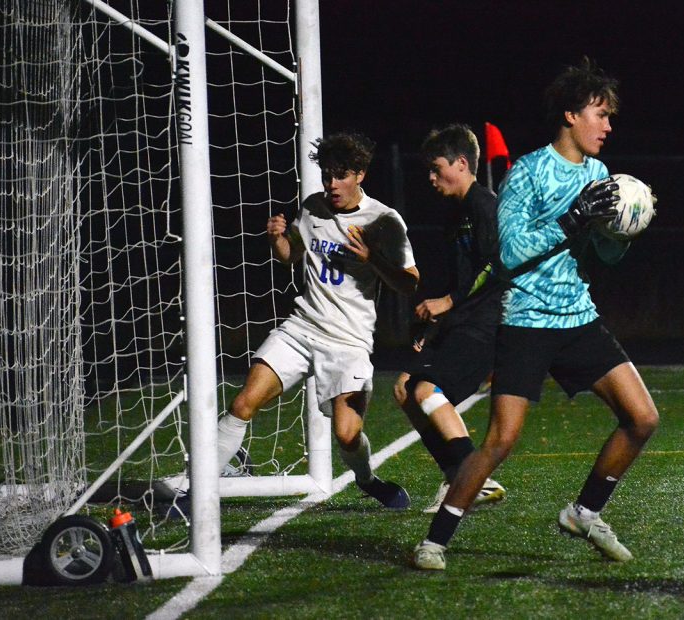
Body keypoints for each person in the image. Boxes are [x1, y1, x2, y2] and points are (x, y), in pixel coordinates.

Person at [411, 59, 660, 570]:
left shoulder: (598, 175)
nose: (608, 126)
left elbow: (601, 256)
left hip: (578, 317)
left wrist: (623, 233)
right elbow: (507, 253)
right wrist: (569, 221)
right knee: (500, 440)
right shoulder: (528, 171)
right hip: (526, 321)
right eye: (600, 115)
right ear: (571, 115)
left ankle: (585, 511)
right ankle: (434, 541)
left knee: (642, 418)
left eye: (611, 117)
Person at [215, 132, 419, 509]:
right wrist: (277, 238)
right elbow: (289, 255)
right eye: (327, 175)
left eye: (340, 175)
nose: (331, 184)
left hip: (348, 342)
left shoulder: (384, 220)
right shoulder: (312, 207)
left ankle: (368, 480)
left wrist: (372, 257)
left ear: (360, 174)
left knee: (346, 435)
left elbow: (410, 283)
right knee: (244, 403)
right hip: (302, 328)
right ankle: (199, 486)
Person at [392, 125, 506, 513]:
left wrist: (449, 301)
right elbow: (459, 277)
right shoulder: (455, 215)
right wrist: (435, 321)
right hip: (461, 322)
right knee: (406, 390)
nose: (431, 177)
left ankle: (474, 478)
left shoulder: (484, 205)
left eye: (436, 167)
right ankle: (457, 475)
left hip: (485, 324)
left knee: (426, 391)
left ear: (461, 163)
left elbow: (497, 266)